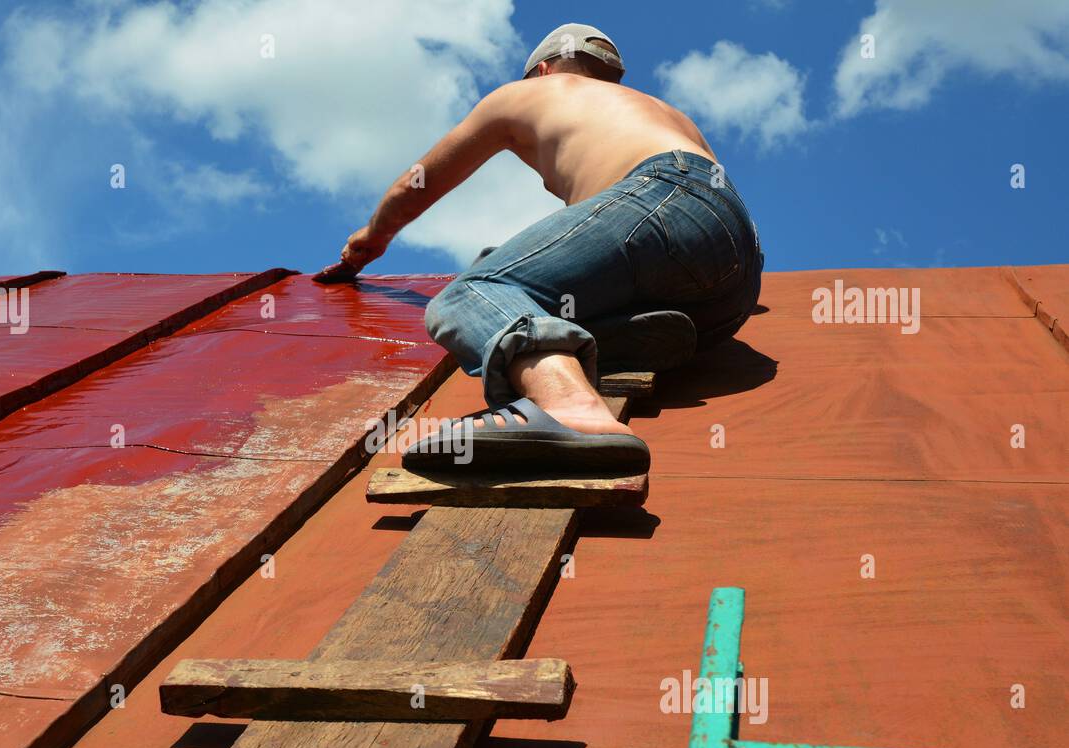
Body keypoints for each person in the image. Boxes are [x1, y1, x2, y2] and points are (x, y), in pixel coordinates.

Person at [316, 24, 762, 473]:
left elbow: (419, 181)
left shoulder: (531, 93)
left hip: (660, 201)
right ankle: (621, 337)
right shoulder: (664, 113)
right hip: (731, 283)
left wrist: (370, 239)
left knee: (473, 291)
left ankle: (568, 409)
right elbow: (700, 221)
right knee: (523, 283)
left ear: (544, 70)